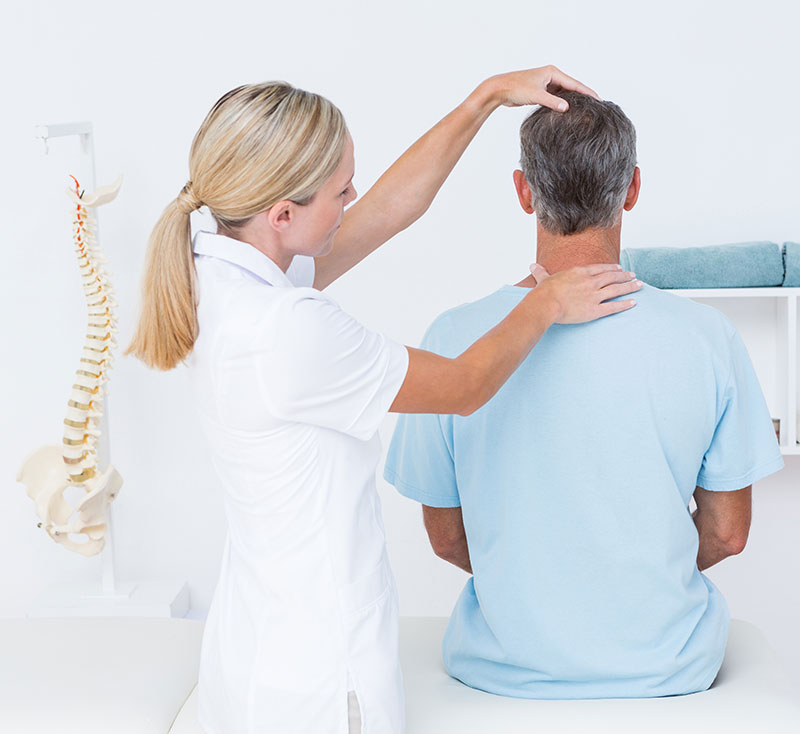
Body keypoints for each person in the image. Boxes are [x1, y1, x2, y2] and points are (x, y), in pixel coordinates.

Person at [126, 72, 641, 734]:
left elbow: (389, 211)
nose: (354, 198)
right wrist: (545, 300)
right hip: (316, 681)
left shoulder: (219, 265)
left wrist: (480, 101)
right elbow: (464, 387)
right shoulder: (289, 331)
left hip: (256, 650)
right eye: (341, 190)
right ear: (282, 213)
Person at [384, 91, 783, 700]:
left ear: (522, 191)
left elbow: (445, 536)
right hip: (667, 671)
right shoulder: (708, 339)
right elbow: (728, 533)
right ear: (632, 189)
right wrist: (628, 578)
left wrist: (539, 585)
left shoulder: (453, 339)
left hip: (500, 673)